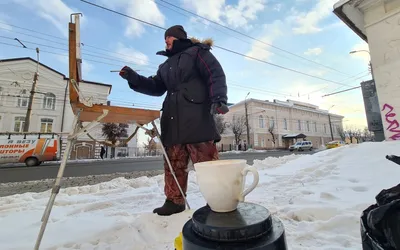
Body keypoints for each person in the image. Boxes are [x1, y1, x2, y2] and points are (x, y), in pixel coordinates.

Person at [119, 25, 228, 216]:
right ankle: (174, 201)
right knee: (173, 163)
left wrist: (219, 98)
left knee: (208, 164)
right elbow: (156, 87)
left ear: (178, 38)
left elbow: (214, 73)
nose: (166, 41)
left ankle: (219, 200)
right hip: (172, 120)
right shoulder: (165, 66)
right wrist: (134, 78)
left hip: (197, 119)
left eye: (169, 37)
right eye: (165, 38)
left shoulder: (197, 52)